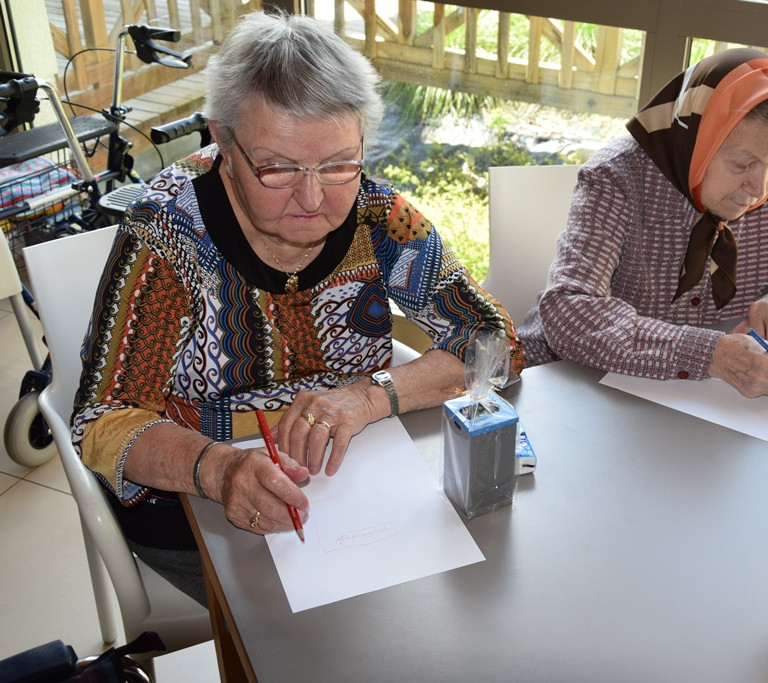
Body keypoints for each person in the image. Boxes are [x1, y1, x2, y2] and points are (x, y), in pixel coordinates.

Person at [71, 11, 522, 605]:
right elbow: (102, 420)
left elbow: (494, 341)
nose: (313, 198)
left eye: (339, 163)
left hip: (357, 486)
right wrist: (223, 470)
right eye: (277, 168)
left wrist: (366, 397)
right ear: (222, 141)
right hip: (197, 504)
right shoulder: (166, 233)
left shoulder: (376, 215)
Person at [518, 48, 768, 399]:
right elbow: (569, 311)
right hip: (575, 386)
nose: (760, 187)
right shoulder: (618, 178)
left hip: (702, 403)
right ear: (698, 141)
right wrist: (711, 354)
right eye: (742, 164)